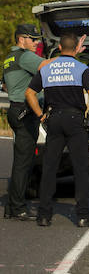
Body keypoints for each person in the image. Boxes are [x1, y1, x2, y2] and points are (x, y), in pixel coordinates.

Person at [25, 31, 89, 227]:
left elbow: (30, 93)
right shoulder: (81, 68)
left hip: (54, 118)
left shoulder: (47, 68)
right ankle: (84, 215)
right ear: (76, 48)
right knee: (81, 168)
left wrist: (40, 115)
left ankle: (44, 215)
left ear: (59, 47)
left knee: (50, 168)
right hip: (75, 120)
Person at [2, 24, 44, 220]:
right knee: (23, 163)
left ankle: (12, 206)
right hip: (25, 112)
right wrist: (68, 54)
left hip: (15, 109)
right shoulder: (25, 56)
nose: (37, 43)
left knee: (21, 161)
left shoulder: (9, 59)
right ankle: (17, 207)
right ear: (21, 39)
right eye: (33, 39)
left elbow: (5, 85)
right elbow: (49, 67)